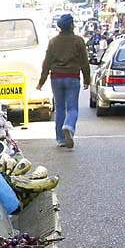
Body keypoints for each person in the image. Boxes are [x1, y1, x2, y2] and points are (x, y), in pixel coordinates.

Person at [37, 14, 90, 149]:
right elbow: (84, 61)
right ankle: (69, 126)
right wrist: (87, 78)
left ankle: (60, 139)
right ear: (71, 25)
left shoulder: (53, 41)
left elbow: (46, 62)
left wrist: (41, 81)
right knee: (72, 108)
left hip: (56, 77)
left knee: (60, 108)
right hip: (72, 77)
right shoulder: (78, 41)